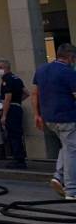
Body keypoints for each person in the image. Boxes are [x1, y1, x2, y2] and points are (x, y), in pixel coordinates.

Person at [33, 43, 76, 200]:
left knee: (67, 146)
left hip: (49, 117)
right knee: (72, 151)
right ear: (70, 57)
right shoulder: (68, 72)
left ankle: (58, 176)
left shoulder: (42, 70)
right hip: (68, 117)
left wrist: (37, 114)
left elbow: (34, 94)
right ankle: (71, 190)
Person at [0, 58, 28, 169]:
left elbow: (7, 98)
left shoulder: (7, 80)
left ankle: (18, 160)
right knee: (17, 134)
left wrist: (4, 114)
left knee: (13, 134)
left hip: (11, 110)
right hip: (17, 108)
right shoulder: (17, 78)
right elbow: (26, 93)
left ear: (5, 68)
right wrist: (18, 101)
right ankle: (19, 158)